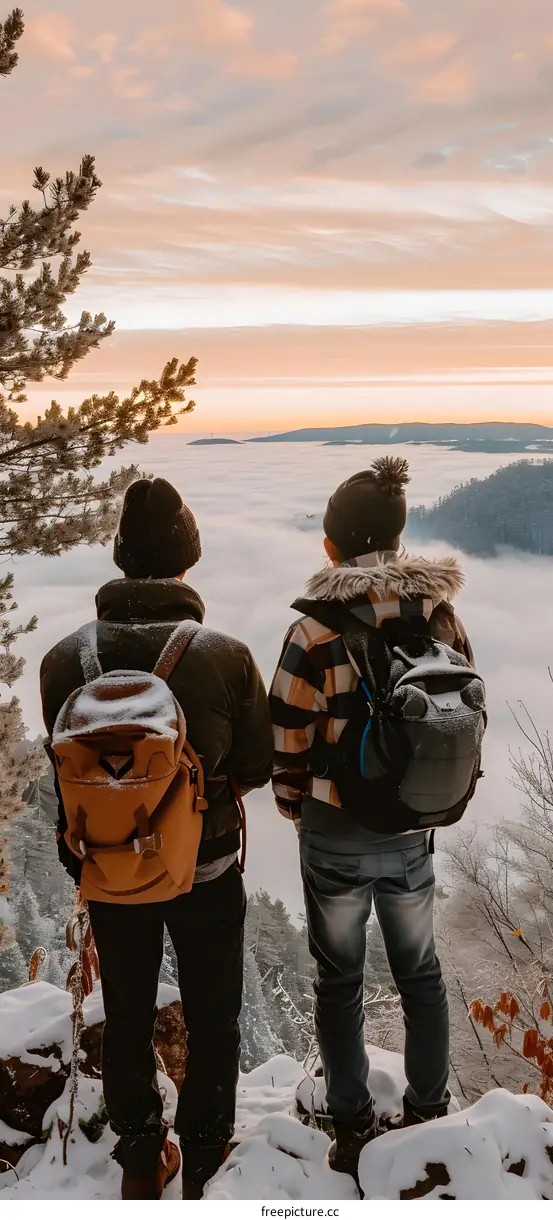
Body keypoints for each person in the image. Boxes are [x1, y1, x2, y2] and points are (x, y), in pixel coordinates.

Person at [40, 477, 273, 1200]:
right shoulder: (225, 655)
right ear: (187, 559)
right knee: (213, 1013)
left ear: (119, 558)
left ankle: (142, 1155)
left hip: (108, 865)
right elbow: (257, 766)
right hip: (203, 861)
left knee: (131, 1007)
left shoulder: (62, 660)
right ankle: (206, 1154)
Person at [270, 456, 476, 1180]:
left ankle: (353, 1125)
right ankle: (428, 1113)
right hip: (415, 828)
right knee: (420, 973)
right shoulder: (440, 615)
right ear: (397, 536)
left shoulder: (314, 633)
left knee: (340, 981)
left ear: (331, 546)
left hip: (334, 830)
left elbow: (287, 736)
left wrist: (296, 805)